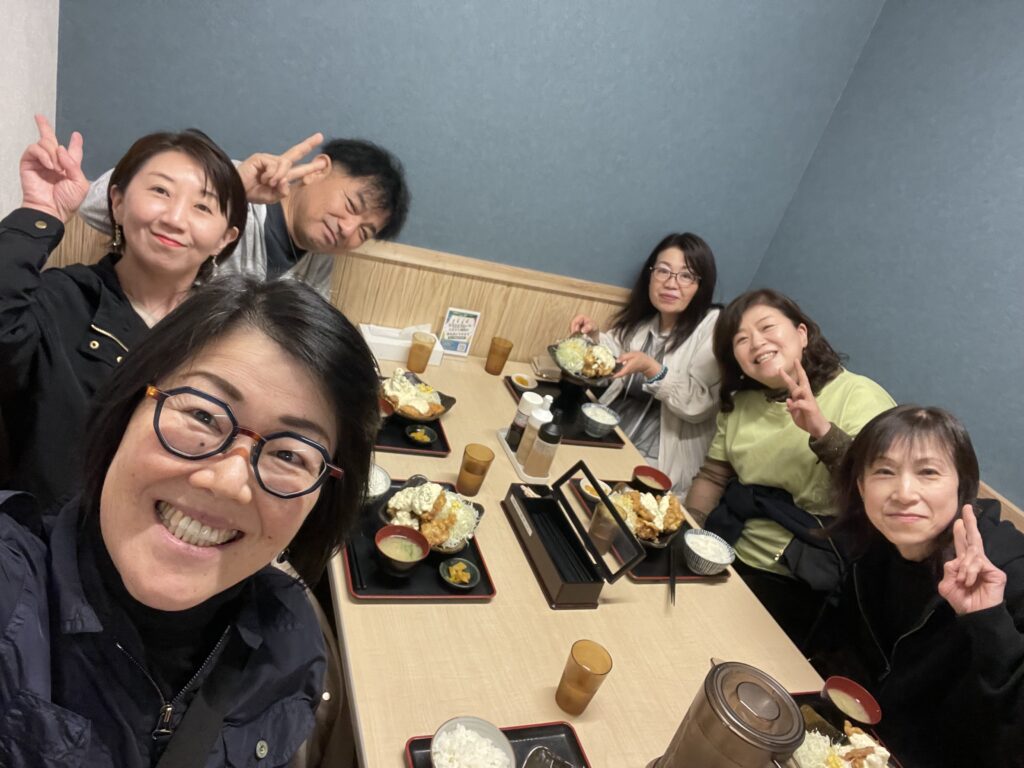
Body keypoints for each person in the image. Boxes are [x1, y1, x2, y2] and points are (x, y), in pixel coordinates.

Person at [0, 276, 381, 767]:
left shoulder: (291, 646)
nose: (228, 482)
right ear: (127, 406)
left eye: (289, 454)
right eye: (202, 416)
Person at [0, 115, 246, 514]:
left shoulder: (228, 333)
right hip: (53, 532)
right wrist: (39, 212)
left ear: (225, 238)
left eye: (202, 206)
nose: (175, 218)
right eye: (160, 191)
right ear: (117, 201)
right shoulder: (64, 297)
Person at [807, 406, 1024, 768]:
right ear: (861, 486)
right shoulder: (877, 544)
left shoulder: (1009, 571)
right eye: (884, 471)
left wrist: (988, 620)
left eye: (928, 472)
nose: (904, 493)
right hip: (863, 745)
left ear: (962, 487)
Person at [684, 288, 895, 644]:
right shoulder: (740, 403)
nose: (756, 342)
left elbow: (880, 490)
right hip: (727, 546)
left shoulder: (858, 395)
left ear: (802, 333)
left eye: (767, 327)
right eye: (741, 339)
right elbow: (713, 475)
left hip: (801, 576)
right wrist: (688, 532)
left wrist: (820, 429)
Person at [79, 132, 411, 298]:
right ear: (318, 170)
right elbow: (93, 203)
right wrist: (228, 194)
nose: (348, 229)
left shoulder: (318, 258)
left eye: (364, 232)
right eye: (352, 205)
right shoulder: (232, 180)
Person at [569, 233, 721, 493]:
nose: (671, 283)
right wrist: (593, 336)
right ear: (650, 276)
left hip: (657, 463)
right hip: (611, 436)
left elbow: (699, 404)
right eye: (663, 271)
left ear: (701, 285)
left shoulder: (711, 325)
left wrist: (652, 369)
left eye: (686, 275)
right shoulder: (645, 322)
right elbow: (613, 358)